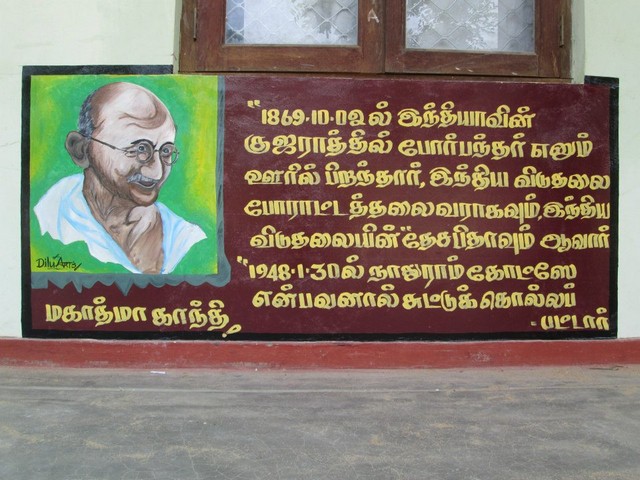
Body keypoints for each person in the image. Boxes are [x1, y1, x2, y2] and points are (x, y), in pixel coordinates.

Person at [34, 82, 206, 274]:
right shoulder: (49, 217)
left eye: (166, 151)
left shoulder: (186, 243)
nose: (156, 172)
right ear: (81, 150)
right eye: (140, 149)